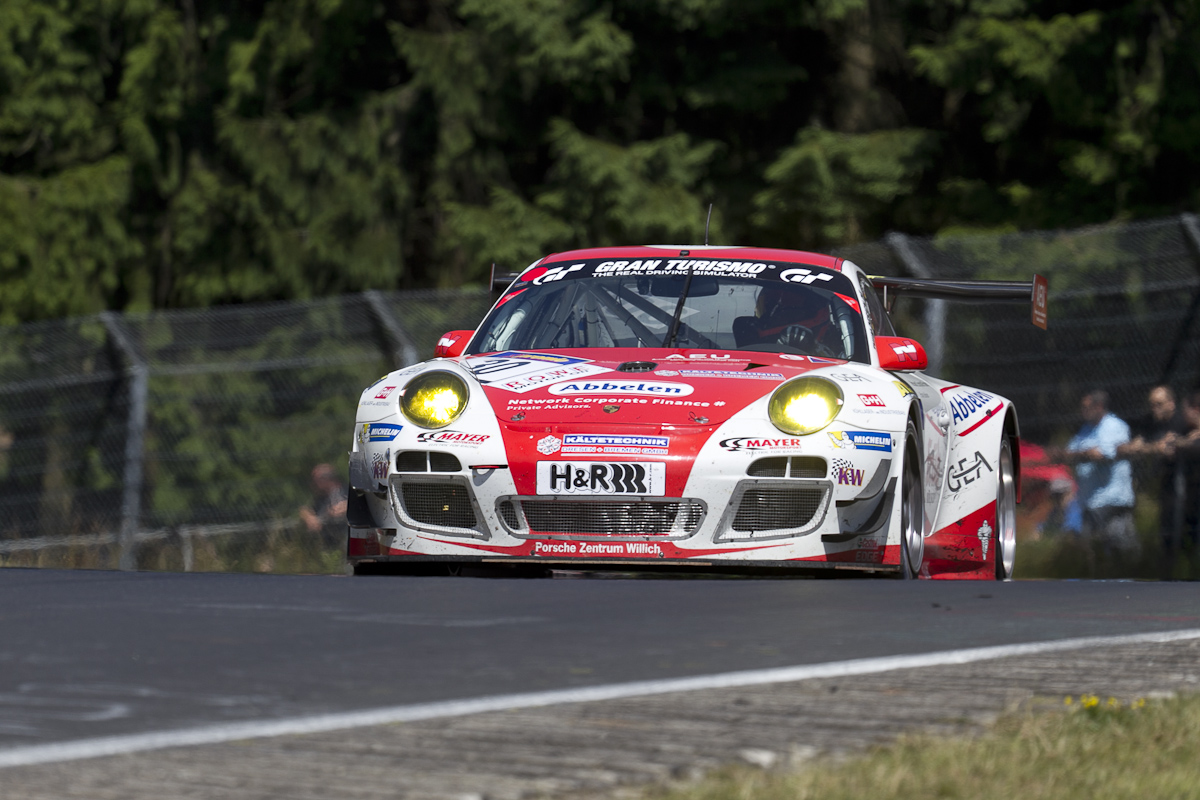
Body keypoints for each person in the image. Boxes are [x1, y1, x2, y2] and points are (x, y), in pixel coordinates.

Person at [1051, 390, 1138, 558]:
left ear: (1099, 406)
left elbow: (1102, 454)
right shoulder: (1086, 430)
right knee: (1091, 551)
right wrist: (1069, 454)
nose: (1082, 411)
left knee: (1120, 548)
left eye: (1086, 407)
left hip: (1112, 500)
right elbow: (1070, 452)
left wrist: (1082, 454)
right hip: (1090, 502)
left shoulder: (1114, 426)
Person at [1118, 385, 1190, 560]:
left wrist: (1151, 447)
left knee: (1182, 525)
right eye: (1151, 404)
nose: (1154, 408)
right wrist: (1155, 447)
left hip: (1185, 481)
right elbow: (1135, 446)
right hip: (1163, 482)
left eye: (1159, 404)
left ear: (1171, 404)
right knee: (1166, 527)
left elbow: (1175, 446)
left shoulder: (1181, 422)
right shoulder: (1150, 422)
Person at [733, 284, 834, 351]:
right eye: (771, 306)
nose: (775, 314)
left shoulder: (832, 339)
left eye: (786, 312)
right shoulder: (747, 330)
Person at [300, 463, 348, 546]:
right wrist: (309, 517)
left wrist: (348, 506)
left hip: (347, 533)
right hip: (327, 539)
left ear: (325, 480)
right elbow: (304, 509)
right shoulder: (321, 498)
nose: (314, 484)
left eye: (316, 481)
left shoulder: (347, 490)